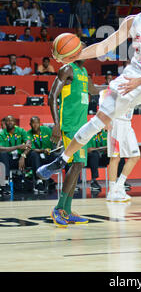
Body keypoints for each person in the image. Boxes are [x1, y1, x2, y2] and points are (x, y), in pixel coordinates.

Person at [37, 0, 141, 205]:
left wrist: (139, 82)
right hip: (133, 76)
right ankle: (61, 159)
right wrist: (75, 56)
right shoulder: (132, 21)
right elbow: (105, 46)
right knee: (98, 121)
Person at [43, 59, 104, 227]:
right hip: (69, 124)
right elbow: (52, 96)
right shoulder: (67, 68)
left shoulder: (83, 72)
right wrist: (56, 124)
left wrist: (112, 87)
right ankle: (59, 209)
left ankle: (67, 211)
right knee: (76, 164)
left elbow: (93, 89)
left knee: (78, 166)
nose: (84, 51)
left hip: (82, 126)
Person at [0, 116, 32, 195]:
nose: (10, 122)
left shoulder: (21, 131)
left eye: (11, 120)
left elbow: (29, 143)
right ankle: (6, 183)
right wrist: (17, 147)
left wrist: (23, 156)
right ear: (5, 123)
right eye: (7, 121)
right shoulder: (2, 133)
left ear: (15, 122)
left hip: (21, 158)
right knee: (3, 154)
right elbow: (1, 149)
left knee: (33, 154)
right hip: (8, 159)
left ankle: (39, 182)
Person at [26, 116, 57, 193]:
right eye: (33, 123)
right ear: (30, 124)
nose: (35, 125)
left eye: (37, 123)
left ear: (40, 123)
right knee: (34, 154)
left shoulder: (46, 130)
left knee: (62, 156)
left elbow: (56, 140)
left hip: (48, 155)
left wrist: (57, 146)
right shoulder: (28, 134)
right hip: (36, 158)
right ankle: (39, 181)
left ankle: (70, 182)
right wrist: (42, 150)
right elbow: (31, 148)